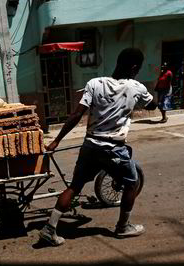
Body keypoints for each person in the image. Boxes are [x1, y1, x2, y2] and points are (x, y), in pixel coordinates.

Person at [39, 48, 158, 246]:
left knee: (75, 186)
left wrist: (56, 140)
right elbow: (152, 105)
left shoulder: (95, 83)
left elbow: (77, 115)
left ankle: (50, 228)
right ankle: (123, 227)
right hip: (113, 148)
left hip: (90, 144)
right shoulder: (136, 88)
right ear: (135, 68)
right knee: (131, 182)